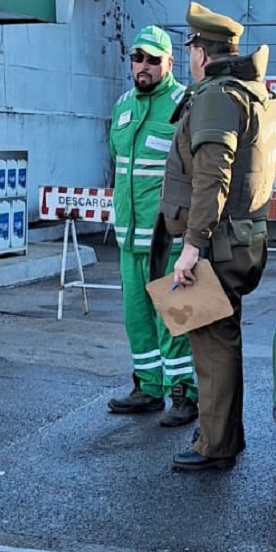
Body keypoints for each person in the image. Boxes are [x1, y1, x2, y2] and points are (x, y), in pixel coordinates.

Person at [150, 3, 276, 471]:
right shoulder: (252, 91)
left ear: (201, 52)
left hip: (217, 242)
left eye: (190, 48)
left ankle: (216, 445)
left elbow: (213, 176)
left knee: (210, 343)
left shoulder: (217, 95)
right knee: (220, 340)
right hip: (241, 239)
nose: (189, 56)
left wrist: (191, 246)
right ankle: (226, 436)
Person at [107, 25, 199, 427]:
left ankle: (184, 394)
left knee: (174, 319)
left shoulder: (185, 104)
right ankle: (148, 387)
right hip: (129, 238)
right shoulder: (123, 105)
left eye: (152, 59)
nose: (142, 66)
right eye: (137, 58)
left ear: (169, 63)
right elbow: (117, 162)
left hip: (169, 240)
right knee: (137, 318)